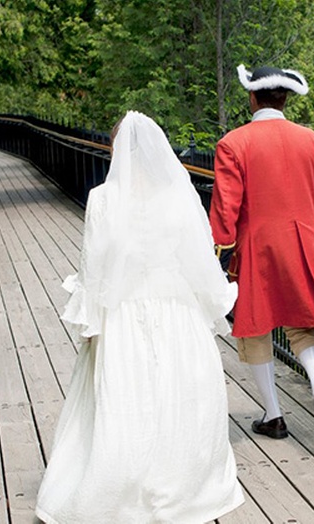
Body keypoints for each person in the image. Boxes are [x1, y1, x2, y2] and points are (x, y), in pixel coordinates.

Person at [35, 111, 244, 523]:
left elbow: (94, 266)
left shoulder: (102, 199)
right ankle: (183, 486)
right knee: (178, 398)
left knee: (124, 400)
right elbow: (198, 260)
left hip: (124, 314)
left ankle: (121, 490)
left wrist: (90, 321)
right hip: (176, 309)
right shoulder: (179, 196)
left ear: (116, 152)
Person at [208, 64, 314, 447]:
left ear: (252, 97)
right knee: (305, 325)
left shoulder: (233, 144)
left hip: (255, 247)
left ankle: (274, 416)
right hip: (304, 243)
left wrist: (219, 252)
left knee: (255, 328)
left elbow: (225, 209)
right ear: (285, 98)